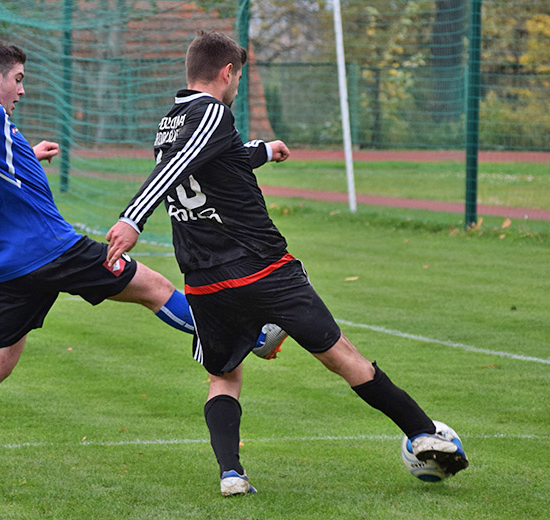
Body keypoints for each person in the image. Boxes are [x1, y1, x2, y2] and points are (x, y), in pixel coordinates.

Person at [0, 42, 285, 466]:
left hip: (1, 265)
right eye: (18, 80)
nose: (22, 91)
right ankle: (257, 337)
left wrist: (28, 156)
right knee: (155, 288)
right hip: (50, 250)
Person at [106, 31, 468, 496]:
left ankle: (231, 474)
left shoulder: (171, 122)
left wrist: (262, 150)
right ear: (227, 73)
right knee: (344, 358)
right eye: (237, 77)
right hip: (261, 266)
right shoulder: (214, 110)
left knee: (224, 376)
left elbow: (212, 161)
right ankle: (423, 434)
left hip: (204, 277)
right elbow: (174, 169)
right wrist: (132, 218)